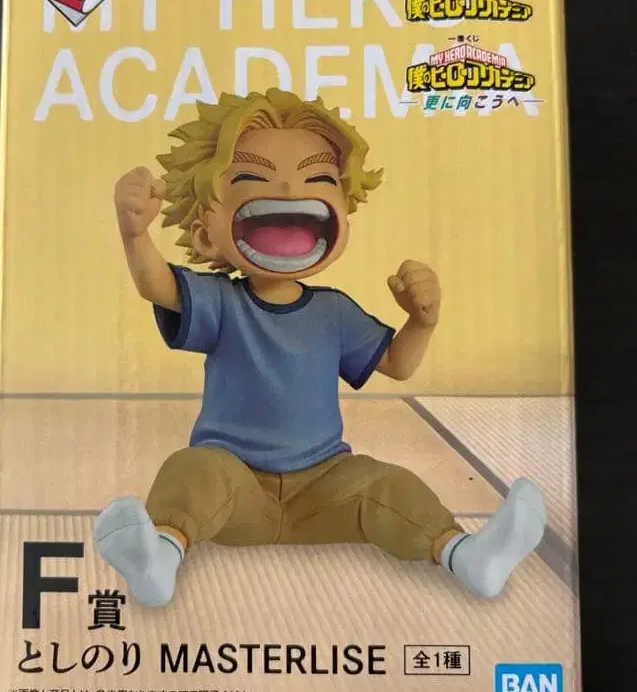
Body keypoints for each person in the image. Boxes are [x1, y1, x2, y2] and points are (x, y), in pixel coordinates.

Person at [94, 88, 546, 607]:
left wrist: (421, 322)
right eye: (251, 178)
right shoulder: (221, 301)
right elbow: (157, 285)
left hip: (326, 487)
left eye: (317, 179)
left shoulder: (334, 311)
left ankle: (466, 556)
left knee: (386, 484)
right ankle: (160, 556)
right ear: (204, 236)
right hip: (236, 488)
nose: (290, 190)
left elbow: (397, 364)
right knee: (192, 471)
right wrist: (135, 235)